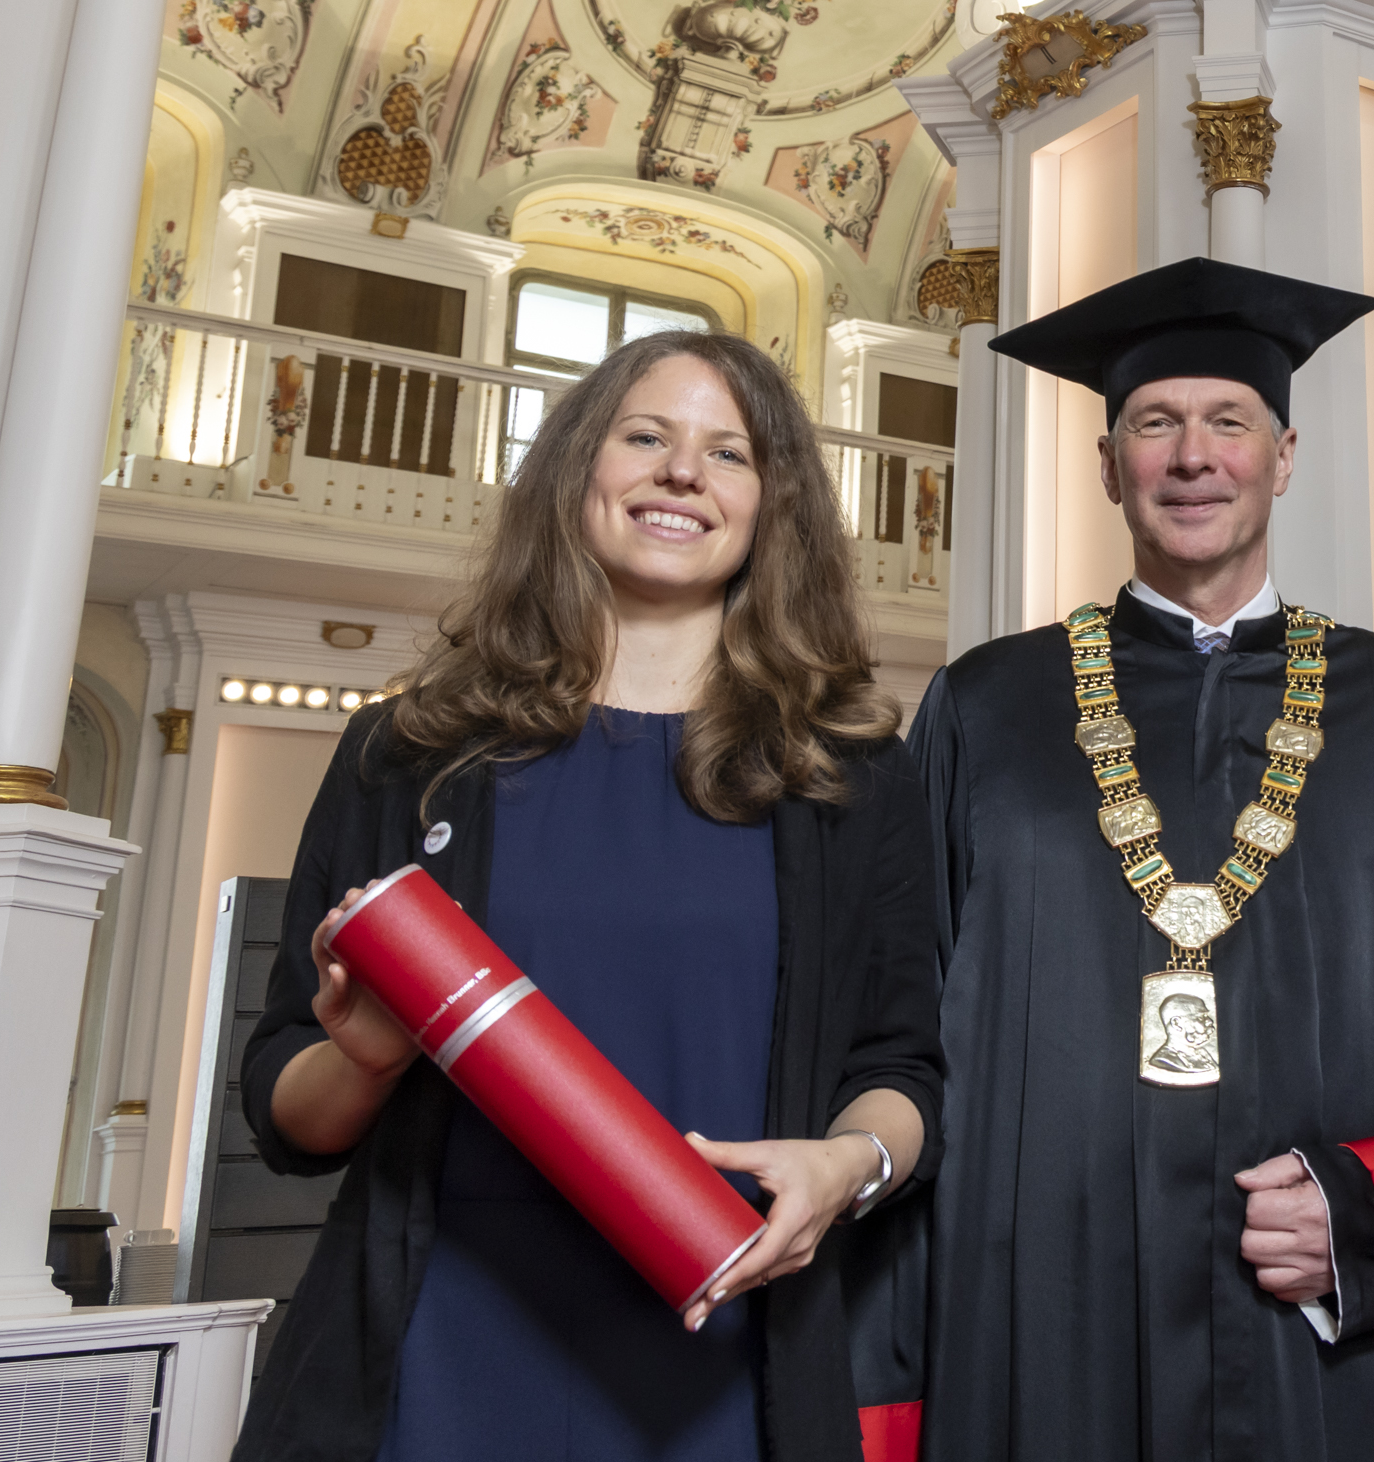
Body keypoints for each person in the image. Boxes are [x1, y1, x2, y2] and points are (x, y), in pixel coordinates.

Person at [235, 332, 942, 1462]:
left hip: (723, 1350)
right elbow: (284, 1118)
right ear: (577, 470)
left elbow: (902, 1070)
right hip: (438, 1349)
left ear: (772, 507)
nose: (682, 473)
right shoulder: (409, 753)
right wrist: (365, 1057)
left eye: (729, 452)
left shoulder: (850, 777)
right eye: (646, 437)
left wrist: (844, 1168)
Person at [892, 256, 1374, 1460]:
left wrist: (1362, 1211)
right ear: (1108, 466)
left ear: (1283, 457)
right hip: (1045, 1320)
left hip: (1319, 1352)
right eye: (1154, 422)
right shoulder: (985, 710)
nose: (1193, 456)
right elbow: (900, 1021)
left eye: (1227, 422)